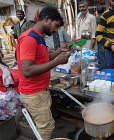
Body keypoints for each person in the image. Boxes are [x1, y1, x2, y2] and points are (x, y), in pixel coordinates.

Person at [16, 6, 70, 140]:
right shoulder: (29, 38)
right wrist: (57, 61)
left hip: (41, 90)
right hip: (34, 93)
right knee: (46, 127)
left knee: (46, 124)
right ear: (46, 19)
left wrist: (58, 52)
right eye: (56, 26)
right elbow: (27, 70)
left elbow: (43, 60)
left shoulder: (39, 37)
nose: (56, 30)